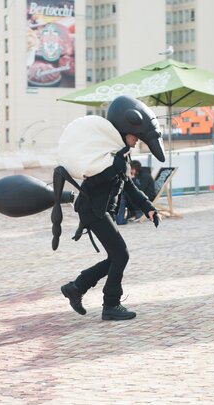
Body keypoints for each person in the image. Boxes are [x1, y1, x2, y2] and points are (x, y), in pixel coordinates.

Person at [59, 95, 164, 321]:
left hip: (98, 211)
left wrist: (148, 208)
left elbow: (129, 187)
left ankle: (76, 288)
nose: (136, 141)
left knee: (116, 257)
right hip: (92, 211)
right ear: (124, 132)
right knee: (121, 255)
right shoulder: (110, 158)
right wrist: (113, 167)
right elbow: (91, 181)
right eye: (135, 136)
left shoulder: (120, 157)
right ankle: (111, 305)